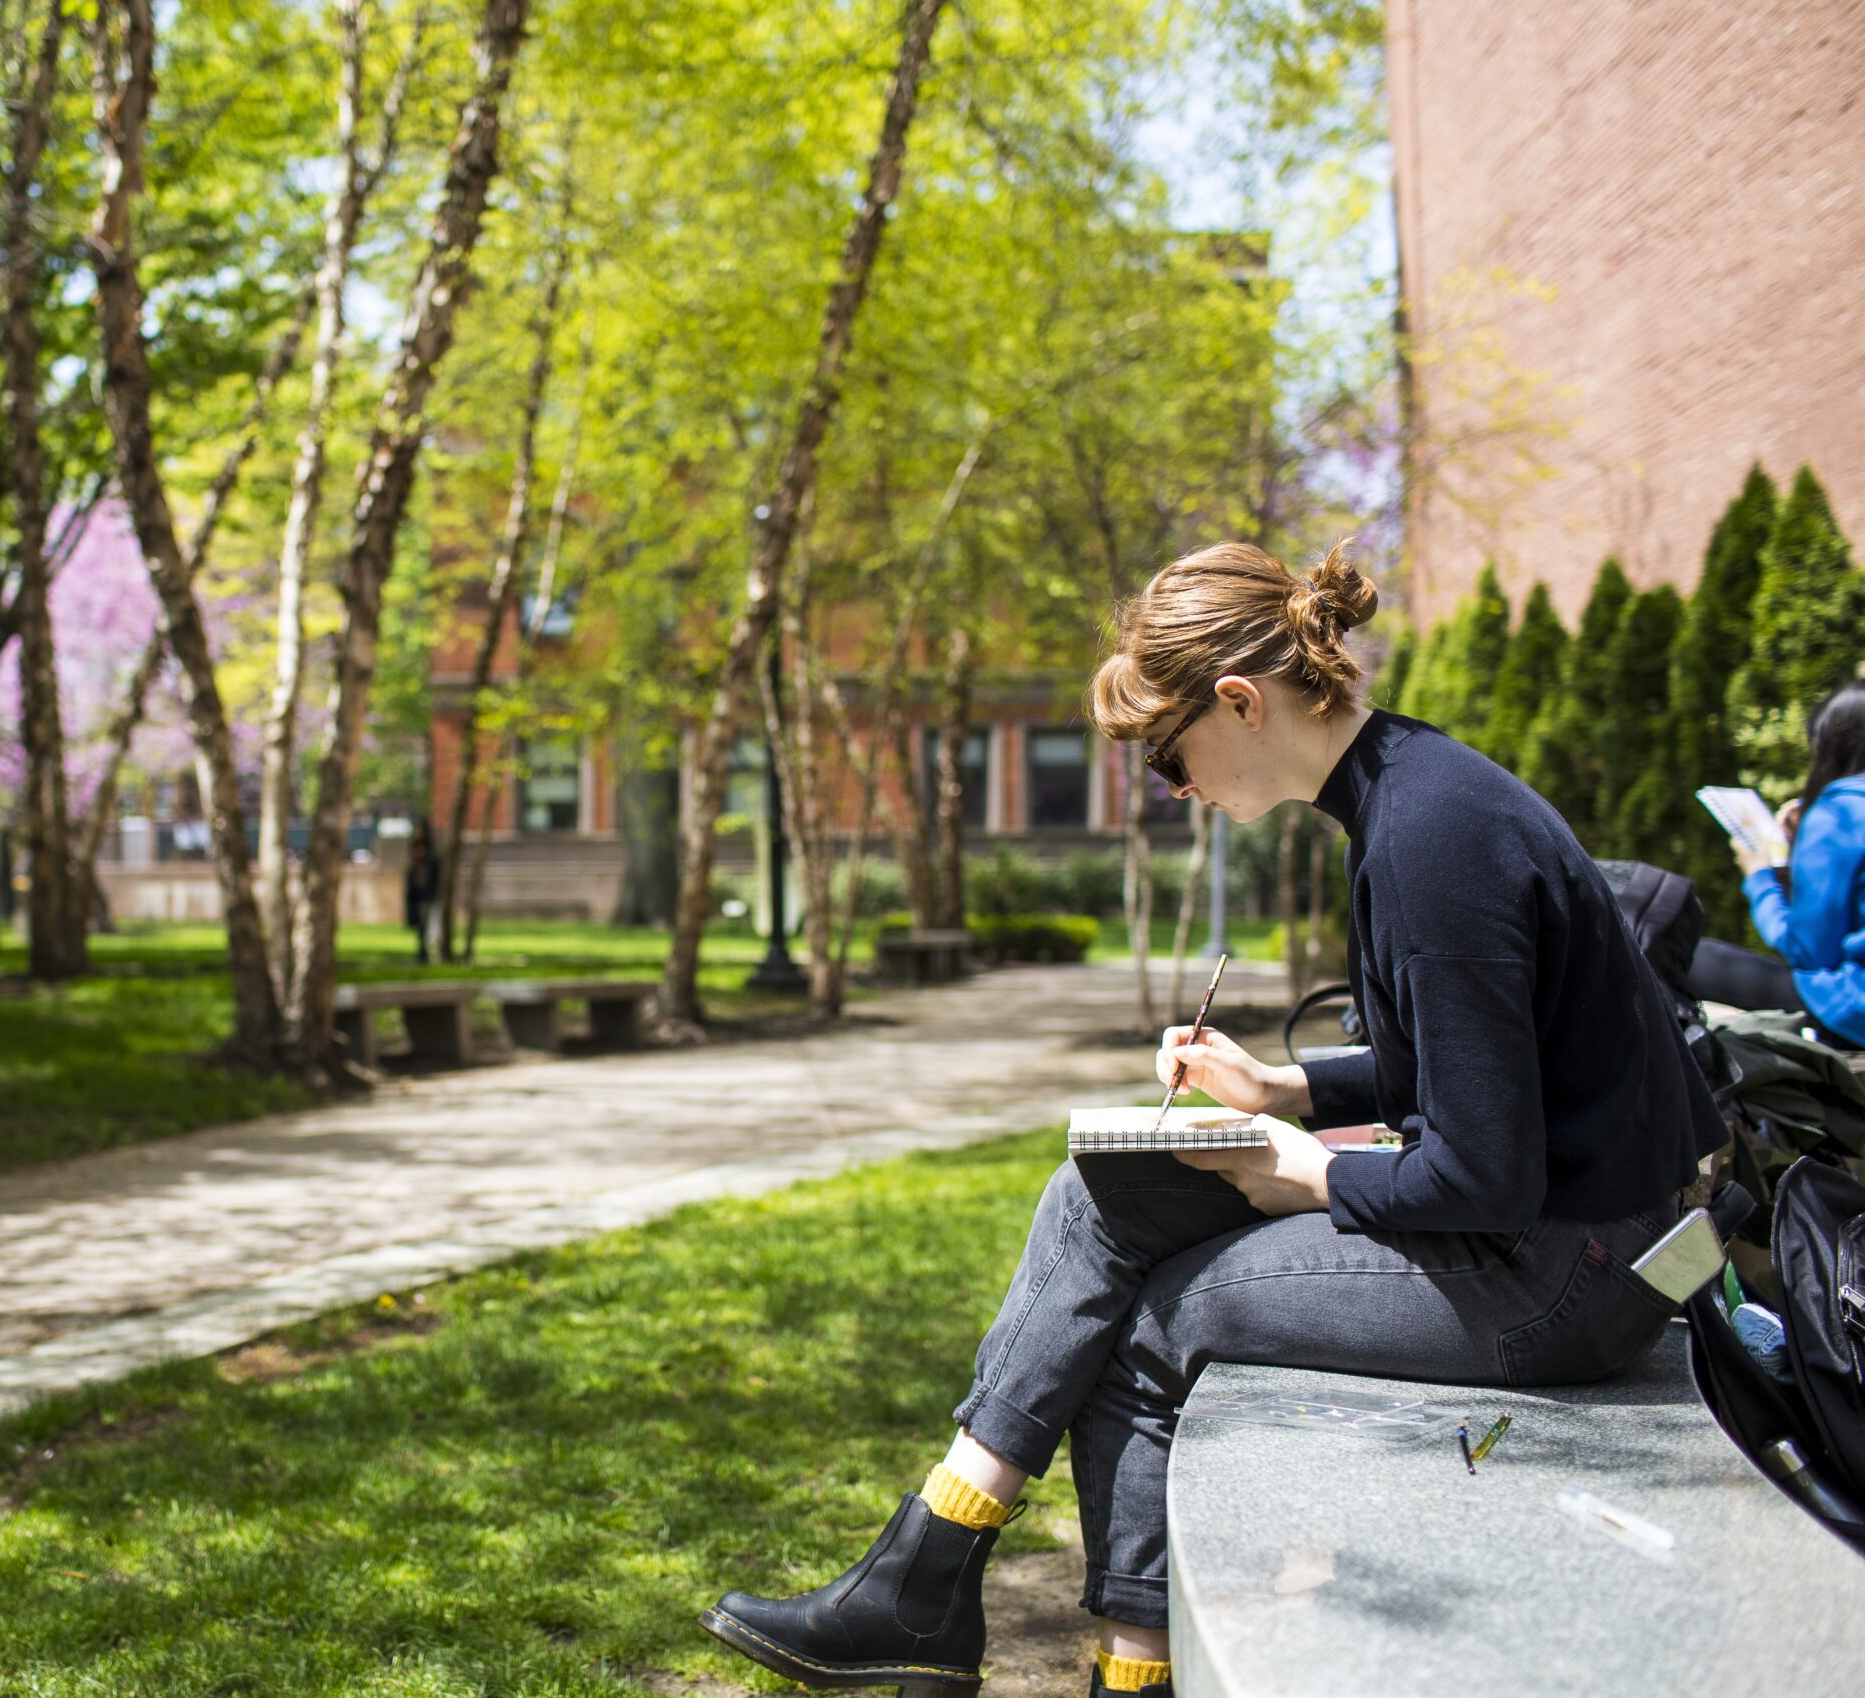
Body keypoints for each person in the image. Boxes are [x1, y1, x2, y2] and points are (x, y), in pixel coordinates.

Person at [697, 542, 1726, 1698]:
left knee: (1149, 1327)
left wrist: (1308, 1173)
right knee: (1101, 1190)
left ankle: (1023, 1632)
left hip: (1565, 1279)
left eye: (1163, 757)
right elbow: (1476, 1065)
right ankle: (929, 1573)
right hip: (1583, 1237)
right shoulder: (1409, 791)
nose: (1171, 789)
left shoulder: (1429, 843)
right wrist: (1290, 1095)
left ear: (1239, 702)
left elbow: (1483, 1171)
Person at [1685, 679, 1865, 1051]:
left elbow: (1811, 952)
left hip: (1855, 1011)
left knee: (1682, 955)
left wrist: (1759, 875)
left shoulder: (1839, 814)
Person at [403, 818, 441, 965]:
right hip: (415, 893)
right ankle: (421, 951)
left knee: (426, 923)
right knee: (419, 923)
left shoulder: (431, 854)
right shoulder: (413, 851)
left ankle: (423, 952)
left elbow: (435, 874)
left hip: (427, 894)